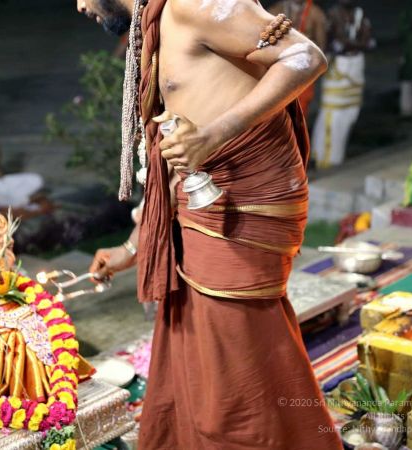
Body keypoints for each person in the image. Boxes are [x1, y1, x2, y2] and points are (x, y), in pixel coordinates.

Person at [78, 0, 341, 448]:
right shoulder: (156, 23)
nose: (80, 6)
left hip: (242, 209)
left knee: (234, 379)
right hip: (205, 207)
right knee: (197, 353)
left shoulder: (193, 3)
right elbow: (175, 150)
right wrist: (134, 245)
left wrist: (213, 136)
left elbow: (305, 56)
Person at [310, 0, 374, 168]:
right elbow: (326, 43)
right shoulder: (331, 16)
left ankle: (335, 157)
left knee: (349, 114)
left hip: (355, 69)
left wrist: (350, 44)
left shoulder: (360, 15)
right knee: (332, 115)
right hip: (337, 69)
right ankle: (325, 158)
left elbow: (368, 42)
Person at [268, 0, 327, 117]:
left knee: (299, 111)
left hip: (303, 71)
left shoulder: (315, 13)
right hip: (278, 69)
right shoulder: (276, 9)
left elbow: (321, 47)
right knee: (275, 111)